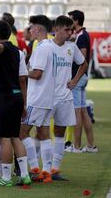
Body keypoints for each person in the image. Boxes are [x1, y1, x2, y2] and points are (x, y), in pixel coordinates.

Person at [0, 20, 31, 187]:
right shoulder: (18, 51)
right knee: (15, 137)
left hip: (5, 97)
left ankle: (6, 177)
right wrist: (25, 104)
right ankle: (25, 174)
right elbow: (22, 79)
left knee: (4, 138)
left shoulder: (3, 48)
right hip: (17, 96)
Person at [49, 15, 88, 179]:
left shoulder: (72, 47)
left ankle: (54, 170)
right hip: (47, 97)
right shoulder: (46, 47)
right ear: (56, 30)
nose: (70, 33)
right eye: (67, 30)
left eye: (71, 30)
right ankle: (36, 167)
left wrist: (74, 81)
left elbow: (83, 64)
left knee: (60, 132)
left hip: (64, 97)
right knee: (38, 132)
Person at [19, 15, 54, 183]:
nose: (29, 30)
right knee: (44, 133)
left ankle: (34, 167)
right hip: (47, 98)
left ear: (38, 29)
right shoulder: (51, 46)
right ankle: (46, 170)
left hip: (37, 98)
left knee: (21, 132)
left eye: (31, 27)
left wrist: (23, 72)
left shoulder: (41, 48)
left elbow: (37, 73)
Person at [67, 10, 98, 153]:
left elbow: (82, 58)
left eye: (70, 20)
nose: (69, 22)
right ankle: (91, 145)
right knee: (83, 111)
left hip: (78, 77)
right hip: (81, 77)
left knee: (77, 111)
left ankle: (77, 146)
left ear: (77, 21)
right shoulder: (80, 35)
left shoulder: (82, 36)